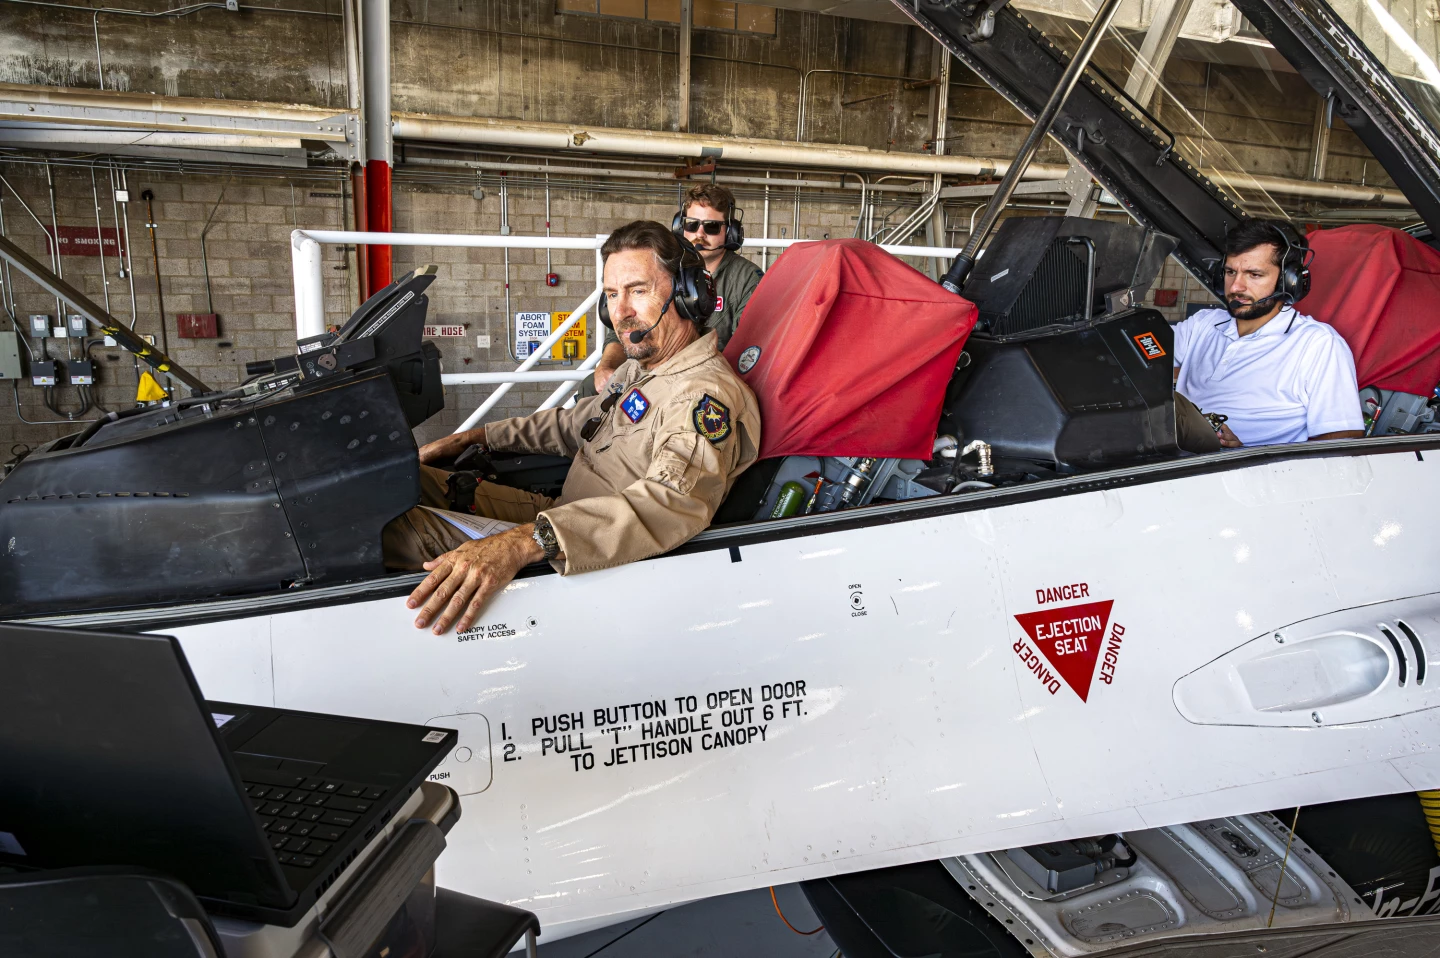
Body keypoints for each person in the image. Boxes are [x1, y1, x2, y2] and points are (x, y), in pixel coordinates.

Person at [386, 220, 762, 635]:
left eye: (638, 290)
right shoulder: (641, 367)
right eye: (612, 295)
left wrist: (524, 542)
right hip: (558, 517)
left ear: (688, 297)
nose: (619, 313)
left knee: (393, 528)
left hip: (580, 551)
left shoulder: (703, 397)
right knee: (404, 481)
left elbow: (669, 504)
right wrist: (477, 436)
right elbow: (574, 423)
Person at [1173, 218, 1364, 448]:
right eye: (1230, 272)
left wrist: (1246, 452)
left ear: (1288, 282)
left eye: (1254, 275)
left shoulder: (1318, 344)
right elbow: (1138, 356)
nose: (1235, 287)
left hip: (1244, 473)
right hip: (1170, 452)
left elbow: (1343, 442)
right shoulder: (1204, 323)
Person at [594, 184, 763, 390]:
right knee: (589, 387)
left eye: (711, 226)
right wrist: (607, 365)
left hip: (704, 380)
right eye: (691, 225)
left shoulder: (747, 279)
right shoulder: (670, 264)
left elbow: (750, 351)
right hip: (655, 367)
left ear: (730, 232)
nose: (699, 234)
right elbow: (625, 326)